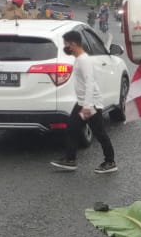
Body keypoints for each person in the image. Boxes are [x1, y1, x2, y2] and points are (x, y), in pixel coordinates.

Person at [50, 30, 118, 174]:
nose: (65, 47)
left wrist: (87, 106)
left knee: (99, 133)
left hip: (91, 104)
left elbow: (89, 82)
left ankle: (110, 162)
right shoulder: (79, 58)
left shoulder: (84, 60)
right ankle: (70, 160)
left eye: (66, 44)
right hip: (83, 102)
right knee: (71, 129)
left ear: (73, 44)